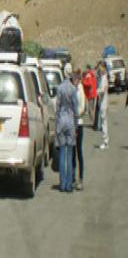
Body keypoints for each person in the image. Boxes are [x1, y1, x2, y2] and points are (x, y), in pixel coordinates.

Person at [56, 63, 78, 193]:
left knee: (62, 153)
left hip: (62, 122)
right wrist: (76, 126)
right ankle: (69, 184)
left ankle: (62, 183)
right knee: (69, 154)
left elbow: (57, 108)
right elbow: (75, 109)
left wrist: (57, 125)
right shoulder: (73, 89)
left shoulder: (59, 89)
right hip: (70, 122)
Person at [73, 69, 87, 191]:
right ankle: (72, 178)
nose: (75, 82)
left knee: (78, 152)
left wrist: (75, 115)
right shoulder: (73, 89)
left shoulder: (81, 89)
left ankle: (80, 178)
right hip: (72, 124)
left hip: (79, 123)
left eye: (77, 80)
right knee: (72, 151)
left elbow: (82, 107)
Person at [97, 63, 109, 149]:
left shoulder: (104, 78)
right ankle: (105, 140)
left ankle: (105, 141)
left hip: (103, 102)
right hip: (102, 101)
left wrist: (97, 92)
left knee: (104, 122)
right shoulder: (102, 78)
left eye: (101, 68)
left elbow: (103, 90)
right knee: (103, 121)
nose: (99, 70)